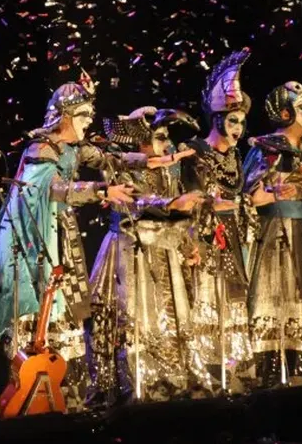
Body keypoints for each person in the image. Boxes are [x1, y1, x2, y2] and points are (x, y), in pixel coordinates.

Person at [0, 72, 190, 412]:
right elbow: (51, 189)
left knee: (61, 307)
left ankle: (60, 392)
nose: (89, 121)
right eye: (83, 115)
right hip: (33, 238)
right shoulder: (41, 148)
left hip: (59, 232)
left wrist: (159, 159)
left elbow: (112, 159)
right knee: (33, 310)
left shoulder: (74, 147)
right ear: (65, 117)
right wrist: (101, 191)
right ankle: (22, 391)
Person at [88, 107, 213, 403]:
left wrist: (187, 244)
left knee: (170, 318)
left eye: (166, 138)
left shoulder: (169, 172)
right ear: (139, 144)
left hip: (164, 250)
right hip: (132, 252)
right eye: (158, 138)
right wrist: (171, 203)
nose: (166, 145)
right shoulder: (119, 168)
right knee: (135, 318)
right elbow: (133, 203)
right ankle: (137, 382)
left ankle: (171, 378)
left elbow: (175, 212)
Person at [244, 82, 302, 387]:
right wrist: (278, 193)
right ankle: (271, 368)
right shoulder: (268, 148)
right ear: (285, 114)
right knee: (277, 292)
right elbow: (251, 197)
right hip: (276, 234)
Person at [178, 50, 256, 393]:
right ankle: (206, 369)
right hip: (204, 236)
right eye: (232, 120)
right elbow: (195, 197)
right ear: (217, 119)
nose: (238, 128)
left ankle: (233, 366)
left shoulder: (235, 155)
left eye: (241, 121)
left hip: (233, 234)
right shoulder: (194, 150)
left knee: (234, 299)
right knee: (206, 299)